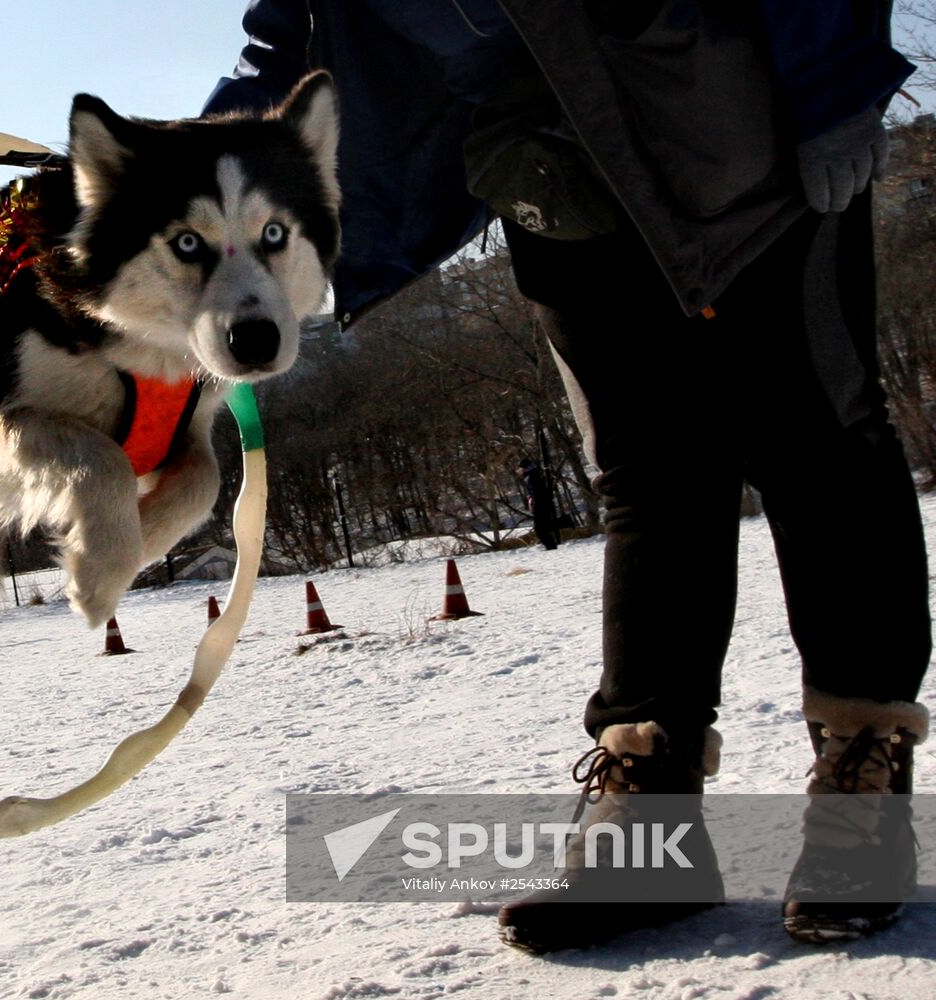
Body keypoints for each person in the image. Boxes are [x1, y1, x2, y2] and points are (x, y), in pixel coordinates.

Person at [204, 1, 930, 952]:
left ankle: (862, 778)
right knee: (650, 471)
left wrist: (833, 74)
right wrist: (198, 158)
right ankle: (649, 812)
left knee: (817, 439)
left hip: (734, 107)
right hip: (546, 154)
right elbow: (297, 30)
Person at [518, 458, 560, 550]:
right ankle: (550, 545)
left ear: (525, 468)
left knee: (540, 529)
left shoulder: (531, 477)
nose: (519, 471)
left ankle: (551, 547)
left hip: (540, 506)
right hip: (543, 505)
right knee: (543, 527)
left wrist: (533, 504)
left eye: (521, 469)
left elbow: (536, 493)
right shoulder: (534, 474)